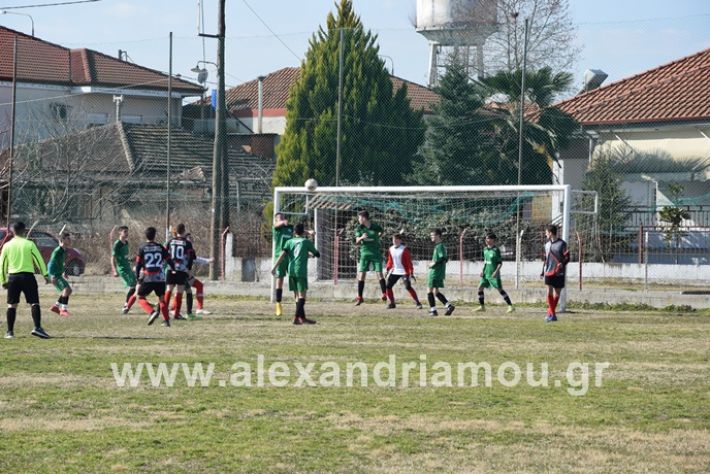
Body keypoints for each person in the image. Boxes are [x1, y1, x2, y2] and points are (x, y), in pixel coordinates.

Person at [0, 221, 51, 339]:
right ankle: (37, 328)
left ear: (13, 231)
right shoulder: (29, 244)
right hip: (28, 277)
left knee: (11, 305)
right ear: (24, 231)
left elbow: (2, 264)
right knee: (34, 303)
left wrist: (3, 280)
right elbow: (39, 260)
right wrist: (45, 274)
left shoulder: (7, 245)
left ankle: (9, 332)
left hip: (13, 278)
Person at [271, 223, 320, 325]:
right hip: (300, 271)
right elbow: (317, 254)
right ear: (303, 232)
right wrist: (312, 240)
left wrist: (274, 267)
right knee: (302, 296)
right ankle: (296, 317)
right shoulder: (305, 242)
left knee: (297, 296)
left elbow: (282, 255)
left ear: (294, 232)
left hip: (291, 270)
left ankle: (303, 318)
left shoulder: (289, 242)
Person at [135, 226, 174, 327]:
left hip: (148, 277)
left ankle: (152, 312)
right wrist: (173, 268)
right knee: (162, 299)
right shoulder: (160, 247)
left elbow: (138, 264)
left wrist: (137, 276)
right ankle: (166, 321)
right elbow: (169, 259)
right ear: (154, 235)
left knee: (140, 297)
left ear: (145, 235)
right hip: (160, 277)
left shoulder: (142, 247)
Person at [475, 232, 515, 313]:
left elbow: (500, 263)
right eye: (486, 238)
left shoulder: (496, 250)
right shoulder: (485, 250)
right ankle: (482, 306)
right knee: (480, 288)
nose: (486, 240)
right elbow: (485, 262)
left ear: (493, 240)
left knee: (500, 289)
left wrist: (496, 272)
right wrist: (482, 271)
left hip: (493, 274)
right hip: (486, 273)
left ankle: (510, 306)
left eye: (488, 238)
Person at [354, 210, 386, 305]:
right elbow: (356, 241)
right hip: (364, 254)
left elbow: (381, 232)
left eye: (359, 218)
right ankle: (360, 297)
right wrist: (361, 238)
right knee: (361, 275)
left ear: (364, 218)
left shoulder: (375, 227)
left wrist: (377, 237)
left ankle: (385, 294)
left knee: (379, 274)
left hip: (376, 253)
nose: (358, 219)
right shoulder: (359, 228)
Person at [164, 224, 195, 320]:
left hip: (170, 269)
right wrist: (189, 269)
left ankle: (164, 311)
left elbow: (165, 254)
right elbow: (191, 258)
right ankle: (177, 314)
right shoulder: (187, 243)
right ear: (184, 231)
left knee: (169, 289)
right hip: (181, 270)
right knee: (179, 291)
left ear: (176, 231)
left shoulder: (170, 241)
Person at [384, 234, 422, 309]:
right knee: (388, 286)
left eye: (397, 239)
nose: (395, 241)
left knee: (408, 287)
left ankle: (418, 303)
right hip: (395, 271)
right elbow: (390, 261)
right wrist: (387, 269)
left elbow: (409, 262)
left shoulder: (404, 249)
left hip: (404, 272)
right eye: (394, 239)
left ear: (400, 241)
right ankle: (392, 303)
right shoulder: (391, 249)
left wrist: (411, 272)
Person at [542, 224, 570, 322]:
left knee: (557, 292)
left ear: (550, 233)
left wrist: (562, 264)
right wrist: (542, 271)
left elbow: (567, 257)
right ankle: (552, 314)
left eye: (546, 233)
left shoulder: (562, 244)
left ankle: (551, 313)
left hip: (559, 272)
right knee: (548, 290)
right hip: (548, 271)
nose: (545, 234)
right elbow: (545, 259)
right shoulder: (546, 245)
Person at [427, 229, 454, 317]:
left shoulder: (439, 246)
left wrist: (433, 263)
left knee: (429, 290)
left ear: (438, 236)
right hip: (438, 272)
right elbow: (445, 258)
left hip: (435, 272)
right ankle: (449, 306)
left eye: (433, 235)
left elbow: (443, 258)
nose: (431, 237)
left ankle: (433, 310)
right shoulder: (440, 246)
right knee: (435, 291)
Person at [112, 226, 137, 314]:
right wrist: (114, 270)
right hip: (122, 269)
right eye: (125, 232)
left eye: (127, 232)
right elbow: (113, 257)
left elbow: (124, 256)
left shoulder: (126, 243)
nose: (126, 234)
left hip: (128, 268)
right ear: (120, 232)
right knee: (133, 286)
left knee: (135, 286)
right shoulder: (117, 244)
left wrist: (130, 259)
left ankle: (127, 305)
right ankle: (126, 306)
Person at [272, 212, 294, 316]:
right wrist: (281, 222)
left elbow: (299, 231)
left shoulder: (289, 228)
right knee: (280, 280)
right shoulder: (276, 228)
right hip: (279, 256)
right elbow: (277, 225)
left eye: (282, 218)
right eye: (279, 218)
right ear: (276, 220)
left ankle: (298, 303)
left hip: (290, 256)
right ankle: (278, 303)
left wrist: (309, 232)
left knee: (295, 277)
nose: (281, 220)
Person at [48, 232, 73, 318]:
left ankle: (56, 307)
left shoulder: (63, 250)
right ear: (63, 240)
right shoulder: (58, 250)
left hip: (58, 274)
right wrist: (52, 275)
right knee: (66, 289)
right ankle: (63, 310)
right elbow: (51, 263)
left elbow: (61, 263)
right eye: (68, 238)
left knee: (68, 290)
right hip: (54, 275)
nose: (70, 240)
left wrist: (64, 272)